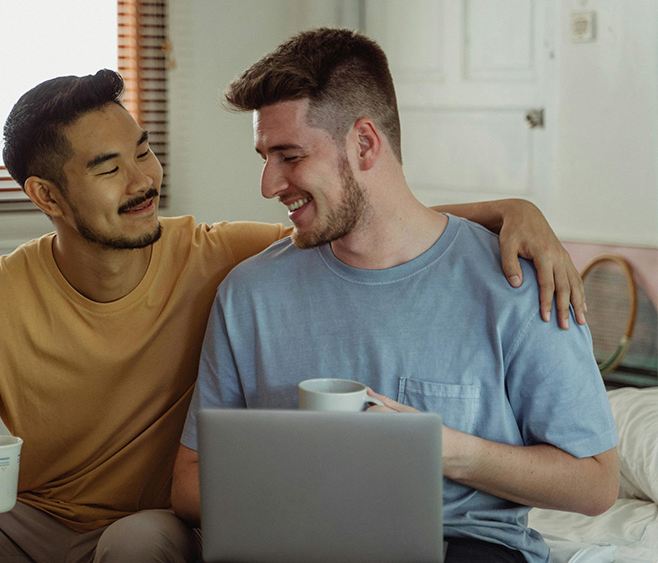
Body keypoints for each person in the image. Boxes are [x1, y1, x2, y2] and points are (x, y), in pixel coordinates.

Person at [0, 67, 584, 562]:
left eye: (142, 148)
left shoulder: (219, 254)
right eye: (109, 166)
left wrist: (509, 209)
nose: (144, 177)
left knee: (140, 542)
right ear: (47, 198)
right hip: (31, 519)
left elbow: (360, 216)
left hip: (150, 525)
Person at [172, 28, 618, 563]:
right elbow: (190, 483)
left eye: (288, 156)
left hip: (464, 546)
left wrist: (445, 451)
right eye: (264, 156)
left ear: (364, 143)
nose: (269, 185)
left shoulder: (519, 281)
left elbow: (595, 483)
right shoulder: (249, 296)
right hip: (297, 546)